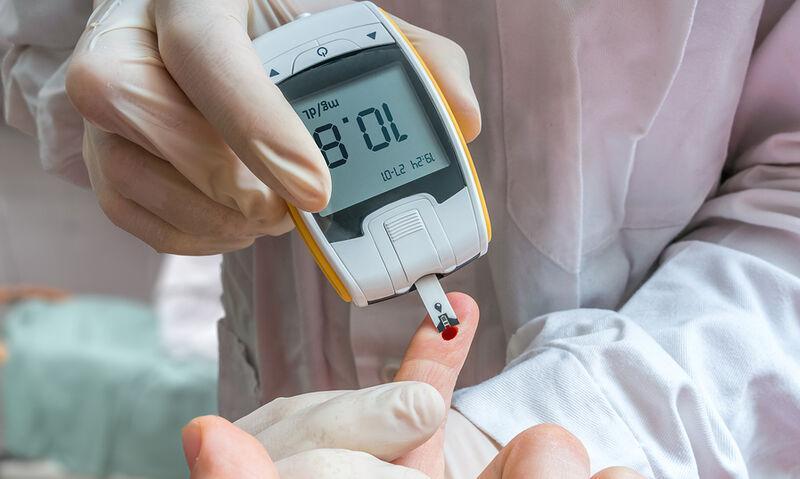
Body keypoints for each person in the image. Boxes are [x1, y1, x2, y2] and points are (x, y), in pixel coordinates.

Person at [2, 0, 799, 477]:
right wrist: (118, 78)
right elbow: (34, 39)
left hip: (661, 410)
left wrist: (523, 428)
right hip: (275, 410)